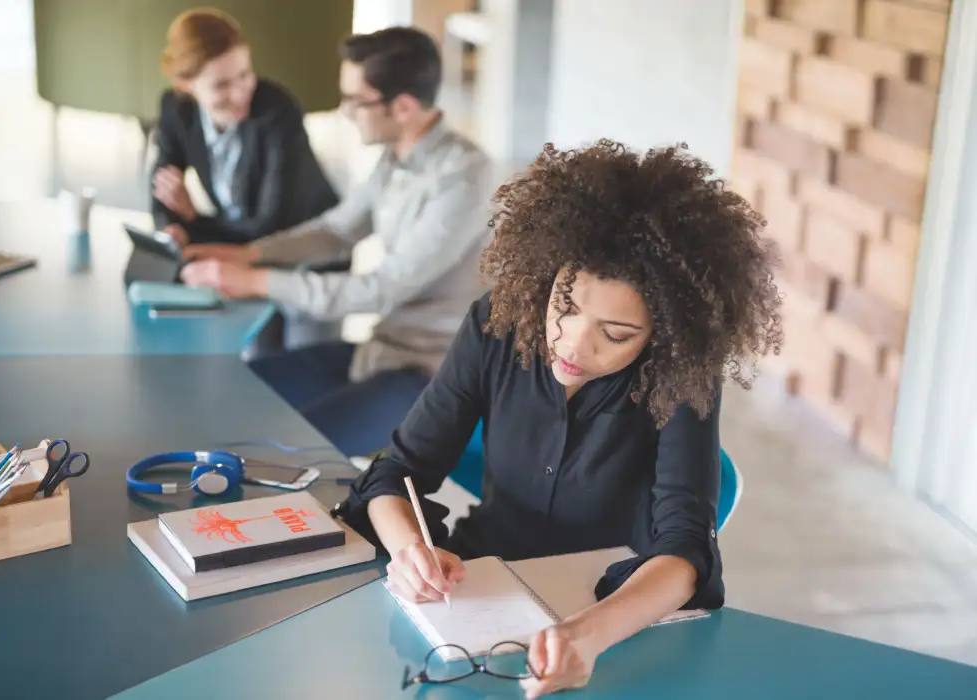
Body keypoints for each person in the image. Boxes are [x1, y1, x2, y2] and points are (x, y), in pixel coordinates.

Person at [334, 140, 783, 697]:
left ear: (665, 334)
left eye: (615, 334)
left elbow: (686, 550)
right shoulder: (496, 325)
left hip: (612, 611)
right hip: (480, 582)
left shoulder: (683, 370)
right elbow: (397, 470)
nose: (571, 345)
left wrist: (586, 638)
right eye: (563, 308)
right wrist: (410, 552)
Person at [179, 27, 493, 458]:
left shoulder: (463, 177)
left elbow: (380, 289)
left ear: (401, 107)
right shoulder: (397, 155)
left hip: (428, 375)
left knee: (283, 456)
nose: (345, 111)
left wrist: (254, 281)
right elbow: (337, 230)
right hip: (378, 352)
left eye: (355, 101)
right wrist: (248, 253)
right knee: (232, 394)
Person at [150, 8, 339, 245]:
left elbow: (268, 227)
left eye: (245, 74)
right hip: (237, 240)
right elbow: (162, 188)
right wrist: (171, 230)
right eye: (221, 85)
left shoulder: (278, 112)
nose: (240, 94)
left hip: (306, 245)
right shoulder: (177, 109)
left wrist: (192, 220)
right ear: (186, 83)